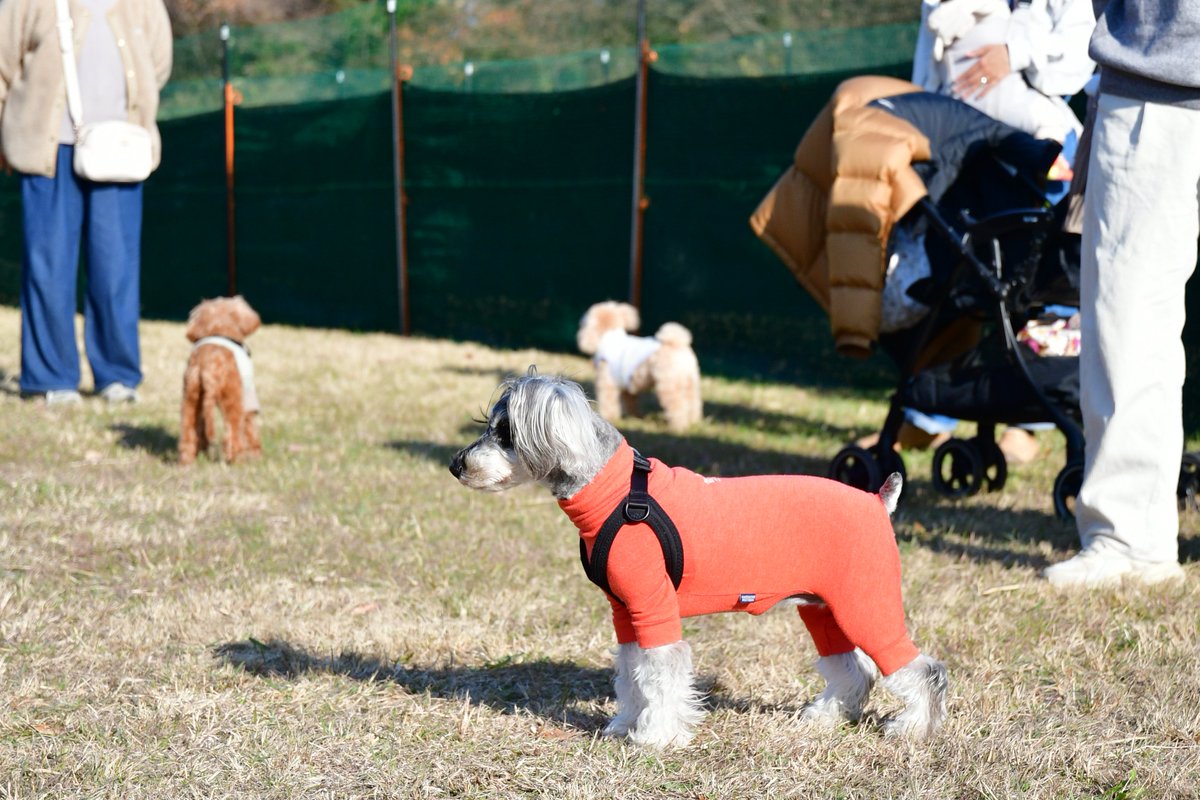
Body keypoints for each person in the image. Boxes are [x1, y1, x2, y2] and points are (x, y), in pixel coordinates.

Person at [886, 0, 1096, 464]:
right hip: (966, 157)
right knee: (967, 288)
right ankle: (929, 418)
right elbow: (933, 63)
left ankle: (1029, 422)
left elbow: (1081, 56)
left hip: (1042, 156)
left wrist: (1012, 50)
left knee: (1039, 292)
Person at [1043, 0, 1198, 588]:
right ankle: (1128, 539)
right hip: (1147, 79)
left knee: (1129, 322)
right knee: (1126, 324)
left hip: (1148, 73)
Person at [0, 0, 173, 406]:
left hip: (119, 148)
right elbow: (3, 61)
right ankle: (49, 378)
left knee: (116, 266)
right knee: (49, 264)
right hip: (48, 149)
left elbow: (159, 61)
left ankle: (117, 376)